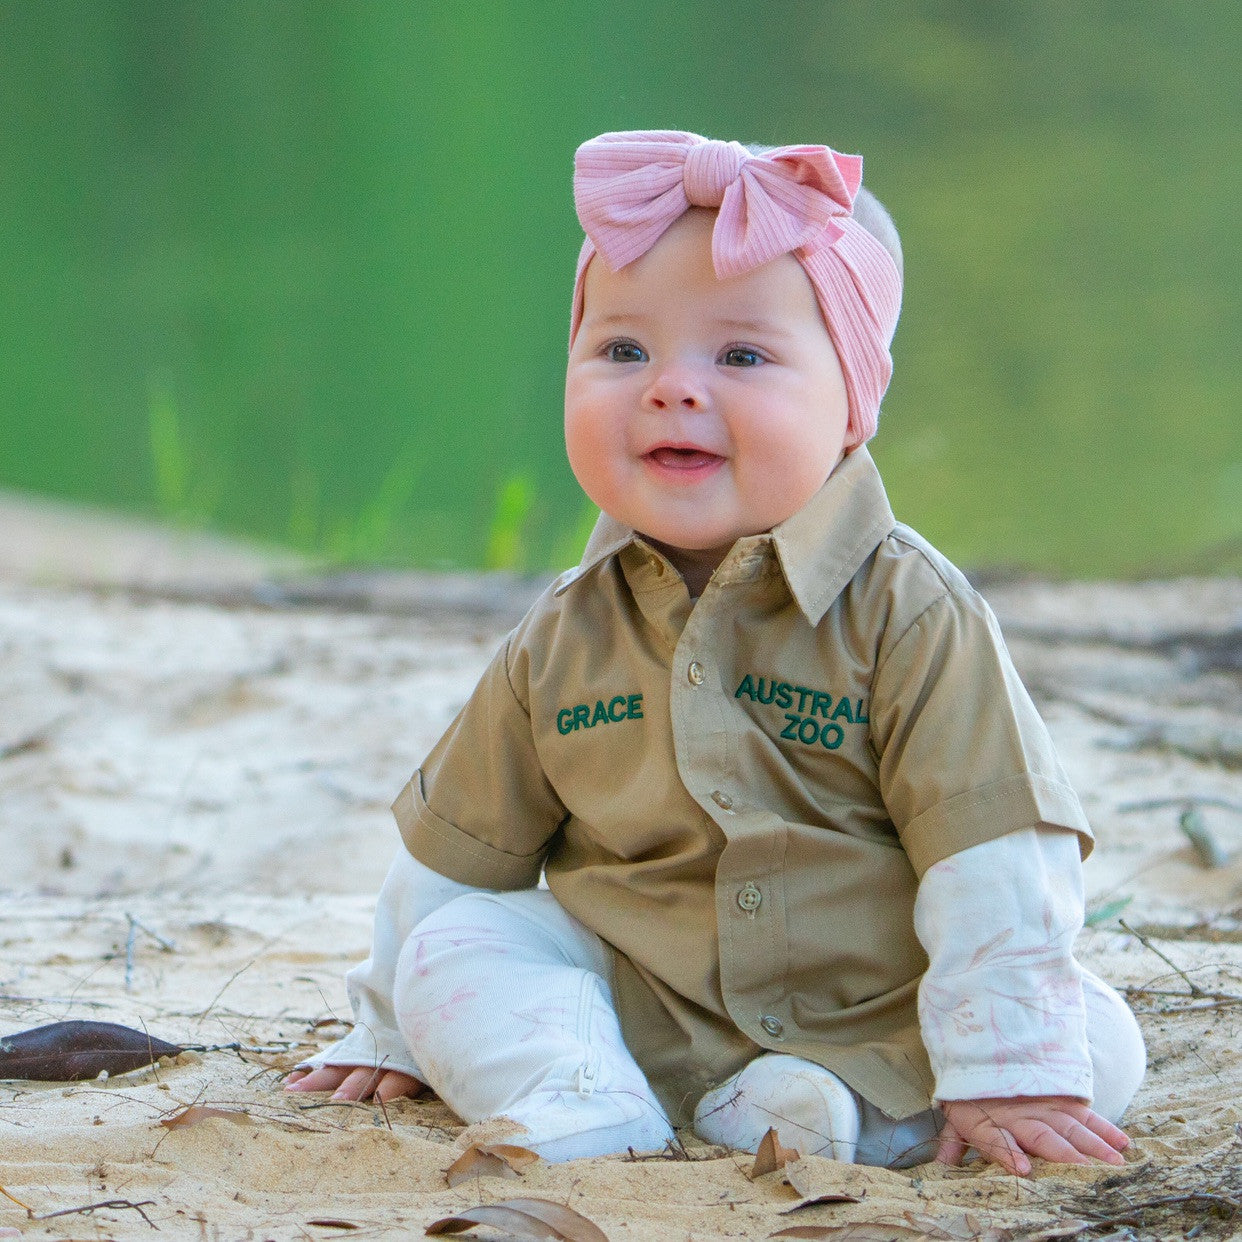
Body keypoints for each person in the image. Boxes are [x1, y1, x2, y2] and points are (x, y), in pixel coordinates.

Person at [285, 129, 1146, 1174]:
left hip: (880, 1005)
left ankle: (823, 1108)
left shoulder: (911, 615)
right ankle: (581, 1091)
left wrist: (1009, 1065)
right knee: (455, 950)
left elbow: (995, 856)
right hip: (638, 998)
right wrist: (389, 1027)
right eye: (622, 350)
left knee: (1091, 1041)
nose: (669, 388)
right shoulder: (563, 632)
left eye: (740, 356)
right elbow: (452, 866)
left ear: (852, 405)